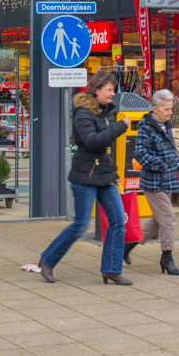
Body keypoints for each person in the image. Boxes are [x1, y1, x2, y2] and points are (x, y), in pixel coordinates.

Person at [38, 72, 131, 285]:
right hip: (84, 177)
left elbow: (105, 151)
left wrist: (114, 173)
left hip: (104, 177)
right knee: (80, 225)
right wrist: (119, 128)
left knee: (118, 221)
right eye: (109, 90)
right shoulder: (83, 113)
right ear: (97, 90)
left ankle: (111, 270)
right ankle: (47, 260)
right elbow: (92, 142)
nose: (113, 94)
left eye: (113, 90)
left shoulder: (105, 112)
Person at [131, 88, 179, 277]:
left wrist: (178, 164)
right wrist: (161, 164)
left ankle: (127, 245)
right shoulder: (146, 127)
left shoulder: (165, 124)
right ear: (155, 108)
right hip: (154, 182)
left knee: (157, 221)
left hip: (167, 179)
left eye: (171, 109)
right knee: (168, 220)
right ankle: (166, 257)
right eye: (166, 109)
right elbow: (140, 154)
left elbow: (169, 150)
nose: (170, 113)